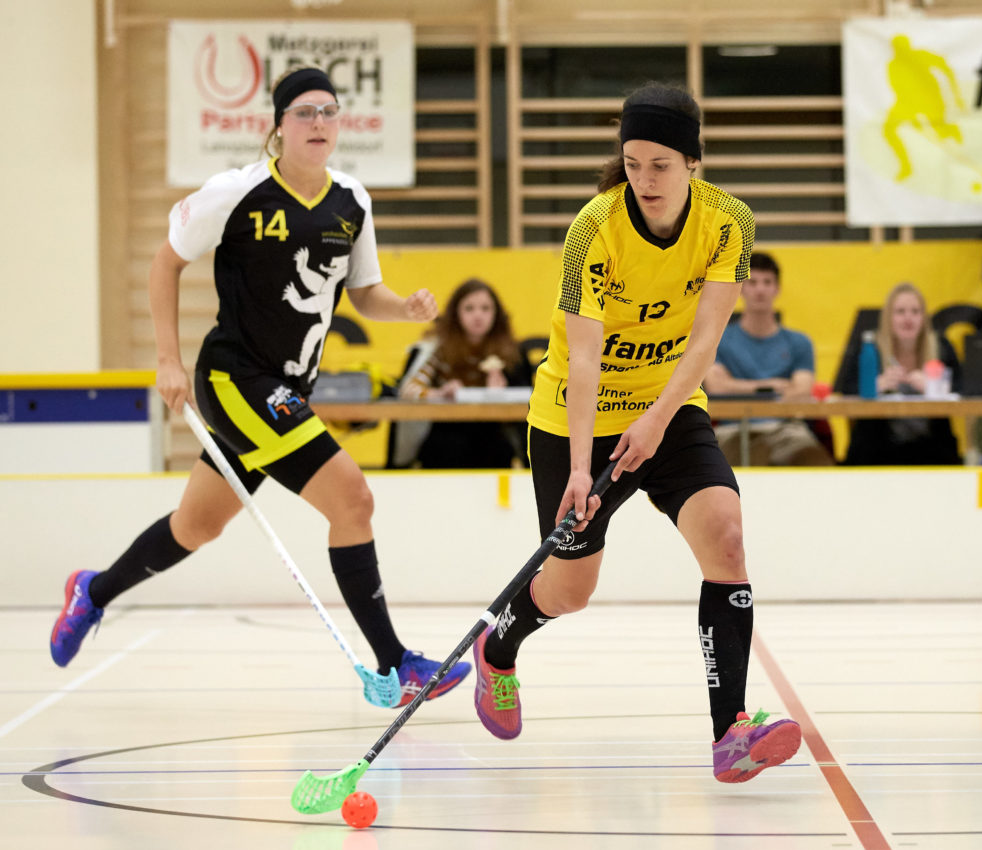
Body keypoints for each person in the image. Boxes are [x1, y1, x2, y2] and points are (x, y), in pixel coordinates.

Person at [48, 67, 471, 707]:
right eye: (304, 113)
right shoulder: (237, 192)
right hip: (234, 378)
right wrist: (167, 358)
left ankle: (93, 590)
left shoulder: (352, 201)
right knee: (352, 500)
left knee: (196, 526)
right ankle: (395, 665)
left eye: (329, 112)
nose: (319, 123)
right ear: (277, 127)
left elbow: (362, 294)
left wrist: (404, 308)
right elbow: (166, 262)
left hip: (289, 389)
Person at [468, 82, 800, 783]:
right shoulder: (592, 230)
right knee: (567, 591)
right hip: (572, 419)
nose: (644, 179)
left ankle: (730, 732)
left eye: (660, 165)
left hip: (669, 404)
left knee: (727, 536)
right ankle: (498, 648)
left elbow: (706, 342)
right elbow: (583, 359)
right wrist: (584, 468)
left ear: (692, 165)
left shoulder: (728, 222)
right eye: (633, 162)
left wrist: (656, 419)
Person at [703, 251, 833, 466]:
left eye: (767, 282)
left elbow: (802, 391)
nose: (760, 289)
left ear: (777, 288)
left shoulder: (799, 342)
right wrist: (772, 386)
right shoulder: (719, 338)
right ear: (741, 288)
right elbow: (717, 387)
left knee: (817, 461)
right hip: (733, 429)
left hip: (786, 430)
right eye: (752, 282)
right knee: (725, 463)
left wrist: (740, 388)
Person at [397, 278, 531, 468]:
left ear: (496, 314)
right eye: (469, 308)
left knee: (496, 446)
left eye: (486, 309)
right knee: (448, 444)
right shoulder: (437, 348)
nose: (478, 316)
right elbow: (407, 390)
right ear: (456, 314)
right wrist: (439, 394)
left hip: (493, 441)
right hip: (446, 439)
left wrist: (502, 395)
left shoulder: (512, 354)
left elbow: (528, 406)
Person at [841, 283, 962, 466]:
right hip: (877, 447)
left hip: (932, 447)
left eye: (915, 312)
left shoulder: (940, 347)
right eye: (900, 312)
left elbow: (965, 388)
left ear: (924, 318)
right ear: (888, 318)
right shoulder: (870, 348)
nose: (908, 318)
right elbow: (845, 388)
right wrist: (875, 385)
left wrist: (933, 387)